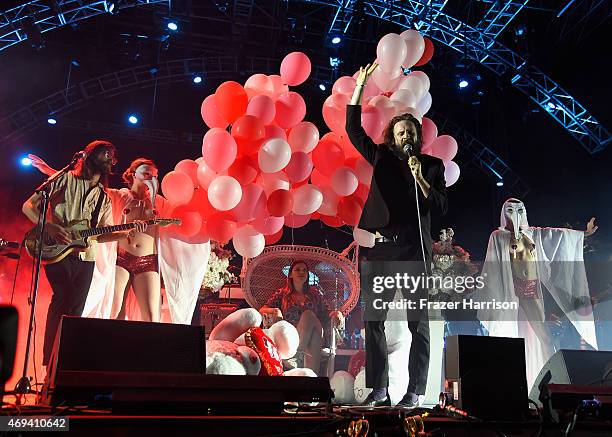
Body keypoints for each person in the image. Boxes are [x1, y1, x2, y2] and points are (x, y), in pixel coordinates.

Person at [346, 63, 448, 407]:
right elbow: (352, 129)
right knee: (373, 321)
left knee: (417, 325)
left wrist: (421, 178)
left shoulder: (432, 167)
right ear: (393, 137)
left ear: (417, 137)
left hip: (415, 252)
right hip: (384, 251)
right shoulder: (383, 157)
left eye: (410, 131)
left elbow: (441, 205)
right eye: (400, 131)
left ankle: (415, 391)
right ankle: (380, 389)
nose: (406, 135)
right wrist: (359, 88)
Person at [28, 154, 211, 325]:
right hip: (121, 259)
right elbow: (86, 186)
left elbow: (183, 214)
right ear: (132, 175)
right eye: (146, 173)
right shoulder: (119, 195)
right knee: (115, 312)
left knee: (152, 317)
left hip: (147, 261)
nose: (151, 178)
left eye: (155, 175)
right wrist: (51, 172)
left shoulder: (160, 202)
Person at [22, 140, 146, 366]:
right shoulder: (62, 179)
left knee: (75, 311)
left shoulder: (103, 197)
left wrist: (124, 232)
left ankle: (63, 366)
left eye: (113, 156)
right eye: (106, 154)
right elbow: (28, 206)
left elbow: (100, 233)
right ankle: (48, 360)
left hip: (86, 257)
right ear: (90, 156)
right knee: (62, 299)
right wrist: (47, 225)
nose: (112, 159)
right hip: (55, 250)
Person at [478, 198, 598, 388]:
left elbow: (557, 236)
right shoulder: (498, 236)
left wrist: (583, 233)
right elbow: (492, 269)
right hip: (510, 292)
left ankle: (550, 383)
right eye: (510, 210)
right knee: (509, 337)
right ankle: (511, 384)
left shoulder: (533, 233)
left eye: (519, 210)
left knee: (544, 337)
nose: (515, 214)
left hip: (530, 290)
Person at [260, 260, 344, 375]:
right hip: (291, 337)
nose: (302, 272)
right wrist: (275, 310)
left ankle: (296, 354)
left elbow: (326, 313)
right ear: (290, 274)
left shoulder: (314, 293)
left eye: (305, 270)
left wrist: (336, 313)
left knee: (308, 315)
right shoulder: (283, 294)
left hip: (315, 333)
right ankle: (310, 381)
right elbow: (262, 309)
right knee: (313, 338)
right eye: (297, 269)